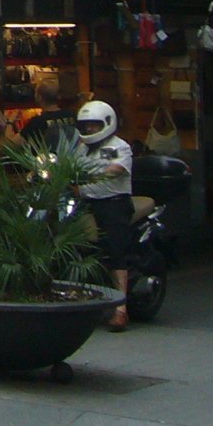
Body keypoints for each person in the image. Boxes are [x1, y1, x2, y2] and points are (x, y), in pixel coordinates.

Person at [73, 99, 135, 331]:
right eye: (87, 125)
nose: (90, 130)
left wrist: (98, 175)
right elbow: (68, 166)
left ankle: (121, 309)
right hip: (86, 202)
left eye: (95, 125)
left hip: (113, 203)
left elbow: (117, 169)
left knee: (115, 250)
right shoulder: (80, 148)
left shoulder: (120, 147)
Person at [18, 71, 77, 154]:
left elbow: (11, 144)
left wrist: (9, 122)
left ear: (39, 98)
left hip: (45, 164)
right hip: (73, 163)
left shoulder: (37, 122)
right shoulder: (72, 115)